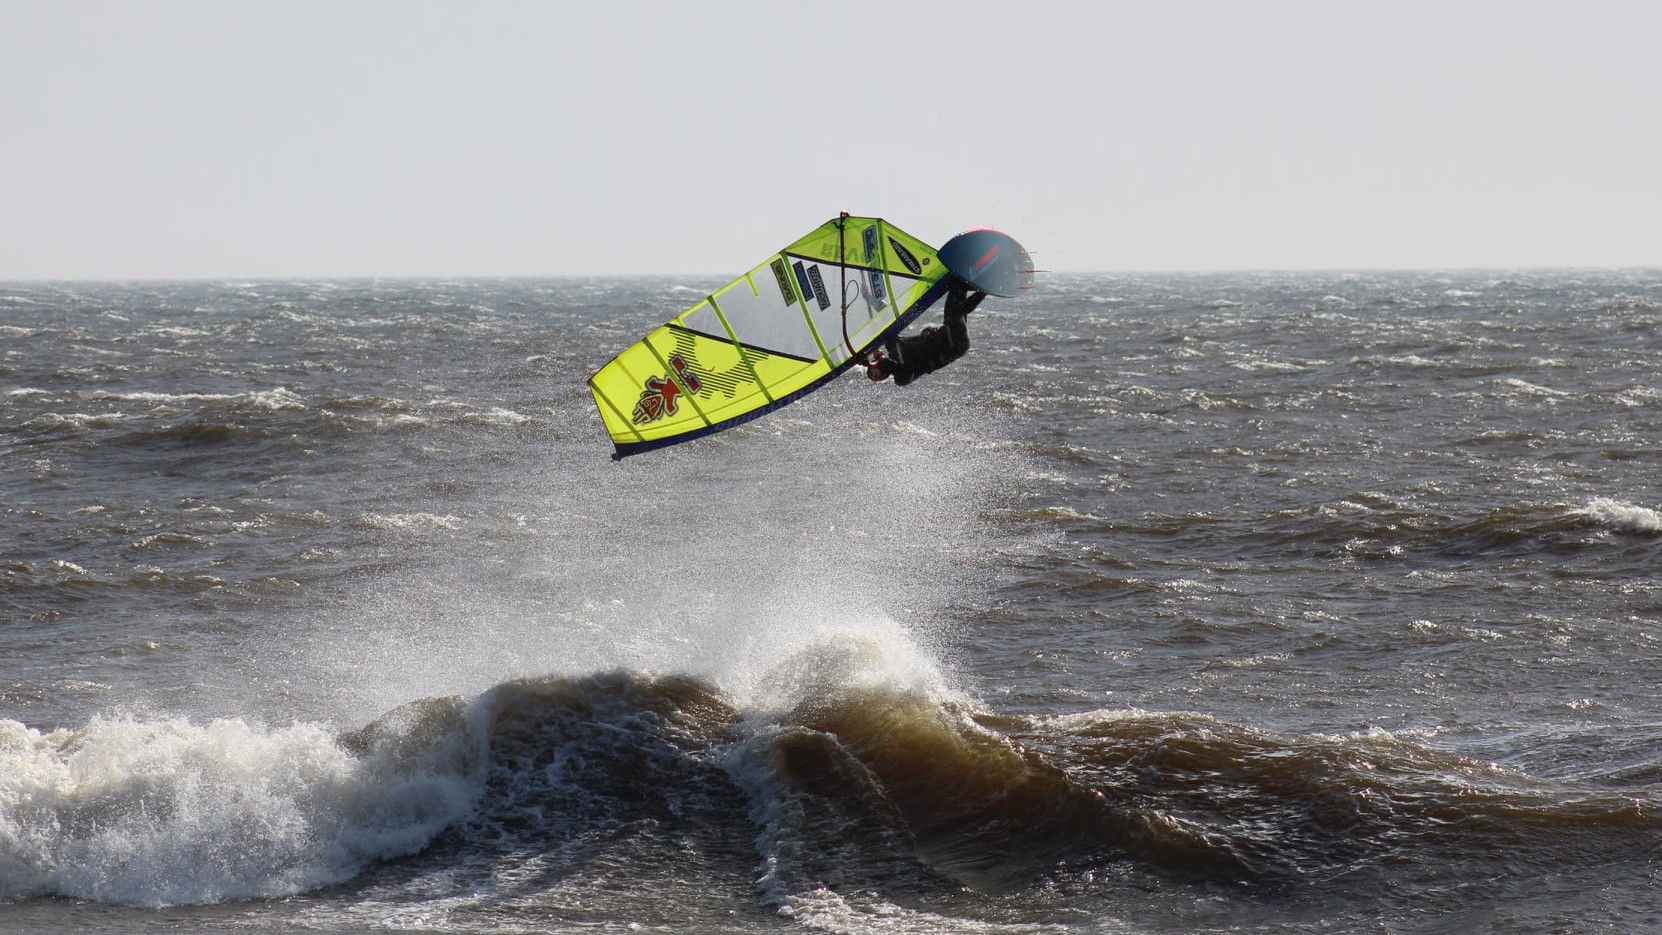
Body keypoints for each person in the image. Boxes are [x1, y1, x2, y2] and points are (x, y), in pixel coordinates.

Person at [865, 278, 986, 386]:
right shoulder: (901, 379)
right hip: (955, 346)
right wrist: (875, 356)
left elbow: (888, 316)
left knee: (957, 285)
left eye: (873, 373)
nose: (876, 375)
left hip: (947, 331)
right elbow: (896, 368)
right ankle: (986, 287)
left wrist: (869, 298)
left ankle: (980, 273)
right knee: (954, 314)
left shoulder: (892, 345)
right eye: (876, 377)